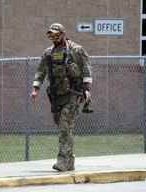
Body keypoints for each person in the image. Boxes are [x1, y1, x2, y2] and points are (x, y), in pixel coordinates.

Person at [31, 23, 93, 171]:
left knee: (65, 126)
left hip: (73, 93)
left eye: (56, 34)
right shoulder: (48, 53)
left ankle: (62, 161)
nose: (53, 37)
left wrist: (87, 89)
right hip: (56, 95)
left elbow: (87, 69)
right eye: (51, 35)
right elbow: (41, 71)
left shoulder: (76, 50)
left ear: (63, 34)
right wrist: (35, 88)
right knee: (63, 127)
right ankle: (69, 161)